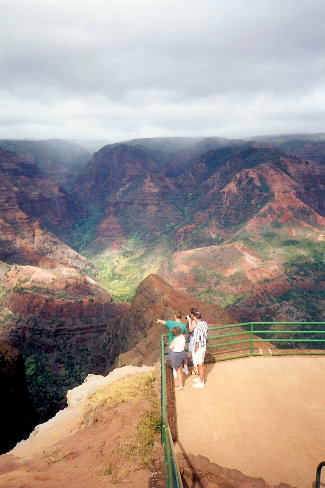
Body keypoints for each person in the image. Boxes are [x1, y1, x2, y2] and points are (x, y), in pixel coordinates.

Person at [157, 311, 189, 375]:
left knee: (173, 358)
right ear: (181, 317)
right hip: (181, 344)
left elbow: (164, 322)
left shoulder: (171, 323)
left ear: (175, 316)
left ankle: (175, 372)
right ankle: (185, 369)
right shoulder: (183, 326)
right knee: (184, 356)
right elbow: (186, 333)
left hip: (173, 344)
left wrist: (159, 320)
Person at [191, 311, 208, 389]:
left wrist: (195, 349)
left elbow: (197, 341)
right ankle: (200, 378)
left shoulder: (197, 328)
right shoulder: (204, 323)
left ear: (194, 317)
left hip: (199, 348)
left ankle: (201, 382)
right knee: (202, 363)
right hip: (204, 346)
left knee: (200, 365)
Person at [168, 326, 186, 390]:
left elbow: (170, 346)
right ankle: (179, 383)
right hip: (182, 353)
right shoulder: (183, 337)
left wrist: (172, 347)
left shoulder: (176, 339)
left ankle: (180, 385)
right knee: (180, 369)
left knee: (178, 371)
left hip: (177, 355)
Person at [186, 308, 199, 375]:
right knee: (197, 355)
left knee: (194, 355)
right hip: (199, 339)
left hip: (194, 339)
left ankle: (196, 370)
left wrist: (189, 320)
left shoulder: (194, 321)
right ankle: (196, 369)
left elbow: (190, 329)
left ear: (191, 314)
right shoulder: (200, 320)